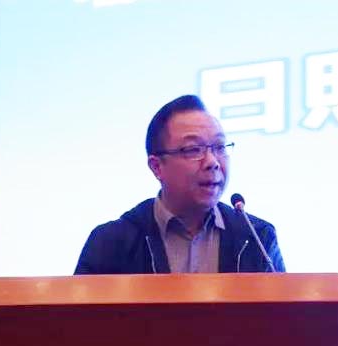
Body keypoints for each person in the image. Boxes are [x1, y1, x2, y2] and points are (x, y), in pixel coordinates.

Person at [74, 94, 285, 274]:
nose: (212, 162)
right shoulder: (112, 243)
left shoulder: (257, 238)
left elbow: (283, 309)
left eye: (220, 147)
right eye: (193, 150)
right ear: (157, 167)